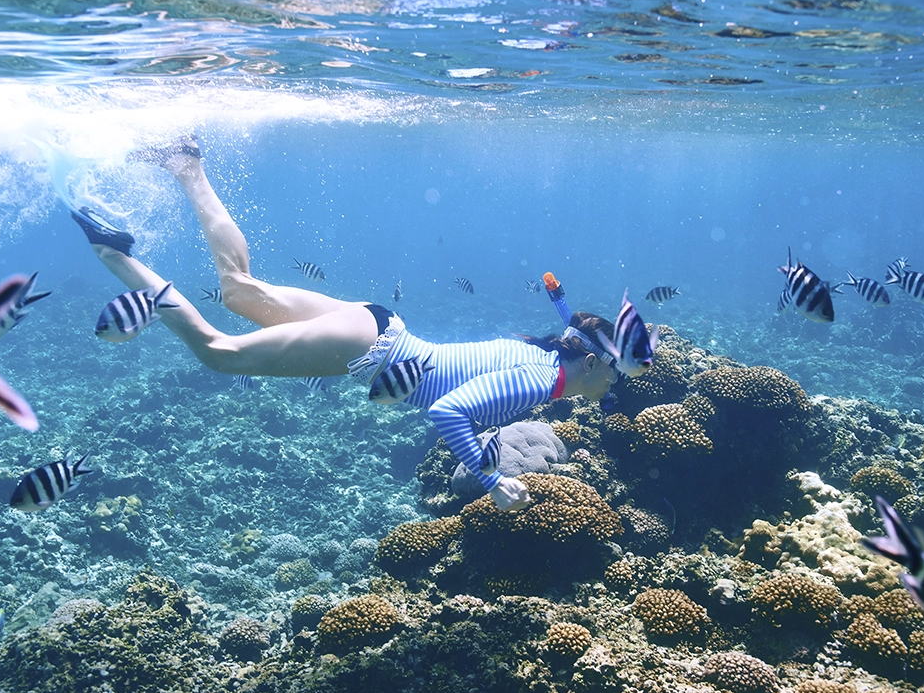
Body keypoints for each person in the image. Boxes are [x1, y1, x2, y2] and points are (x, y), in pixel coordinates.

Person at [70, 137, 620, 511]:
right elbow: (450, 410)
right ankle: (112, 254)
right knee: (217, 352)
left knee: (238, 288)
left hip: (379, 324)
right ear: (590, 361)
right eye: (615, 374)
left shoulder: (547, 353)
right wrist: (491, 479)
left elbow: (570, 327)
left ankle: (186, 163)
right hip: (373, 352)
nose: (616, 386)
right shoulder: (541, 380)